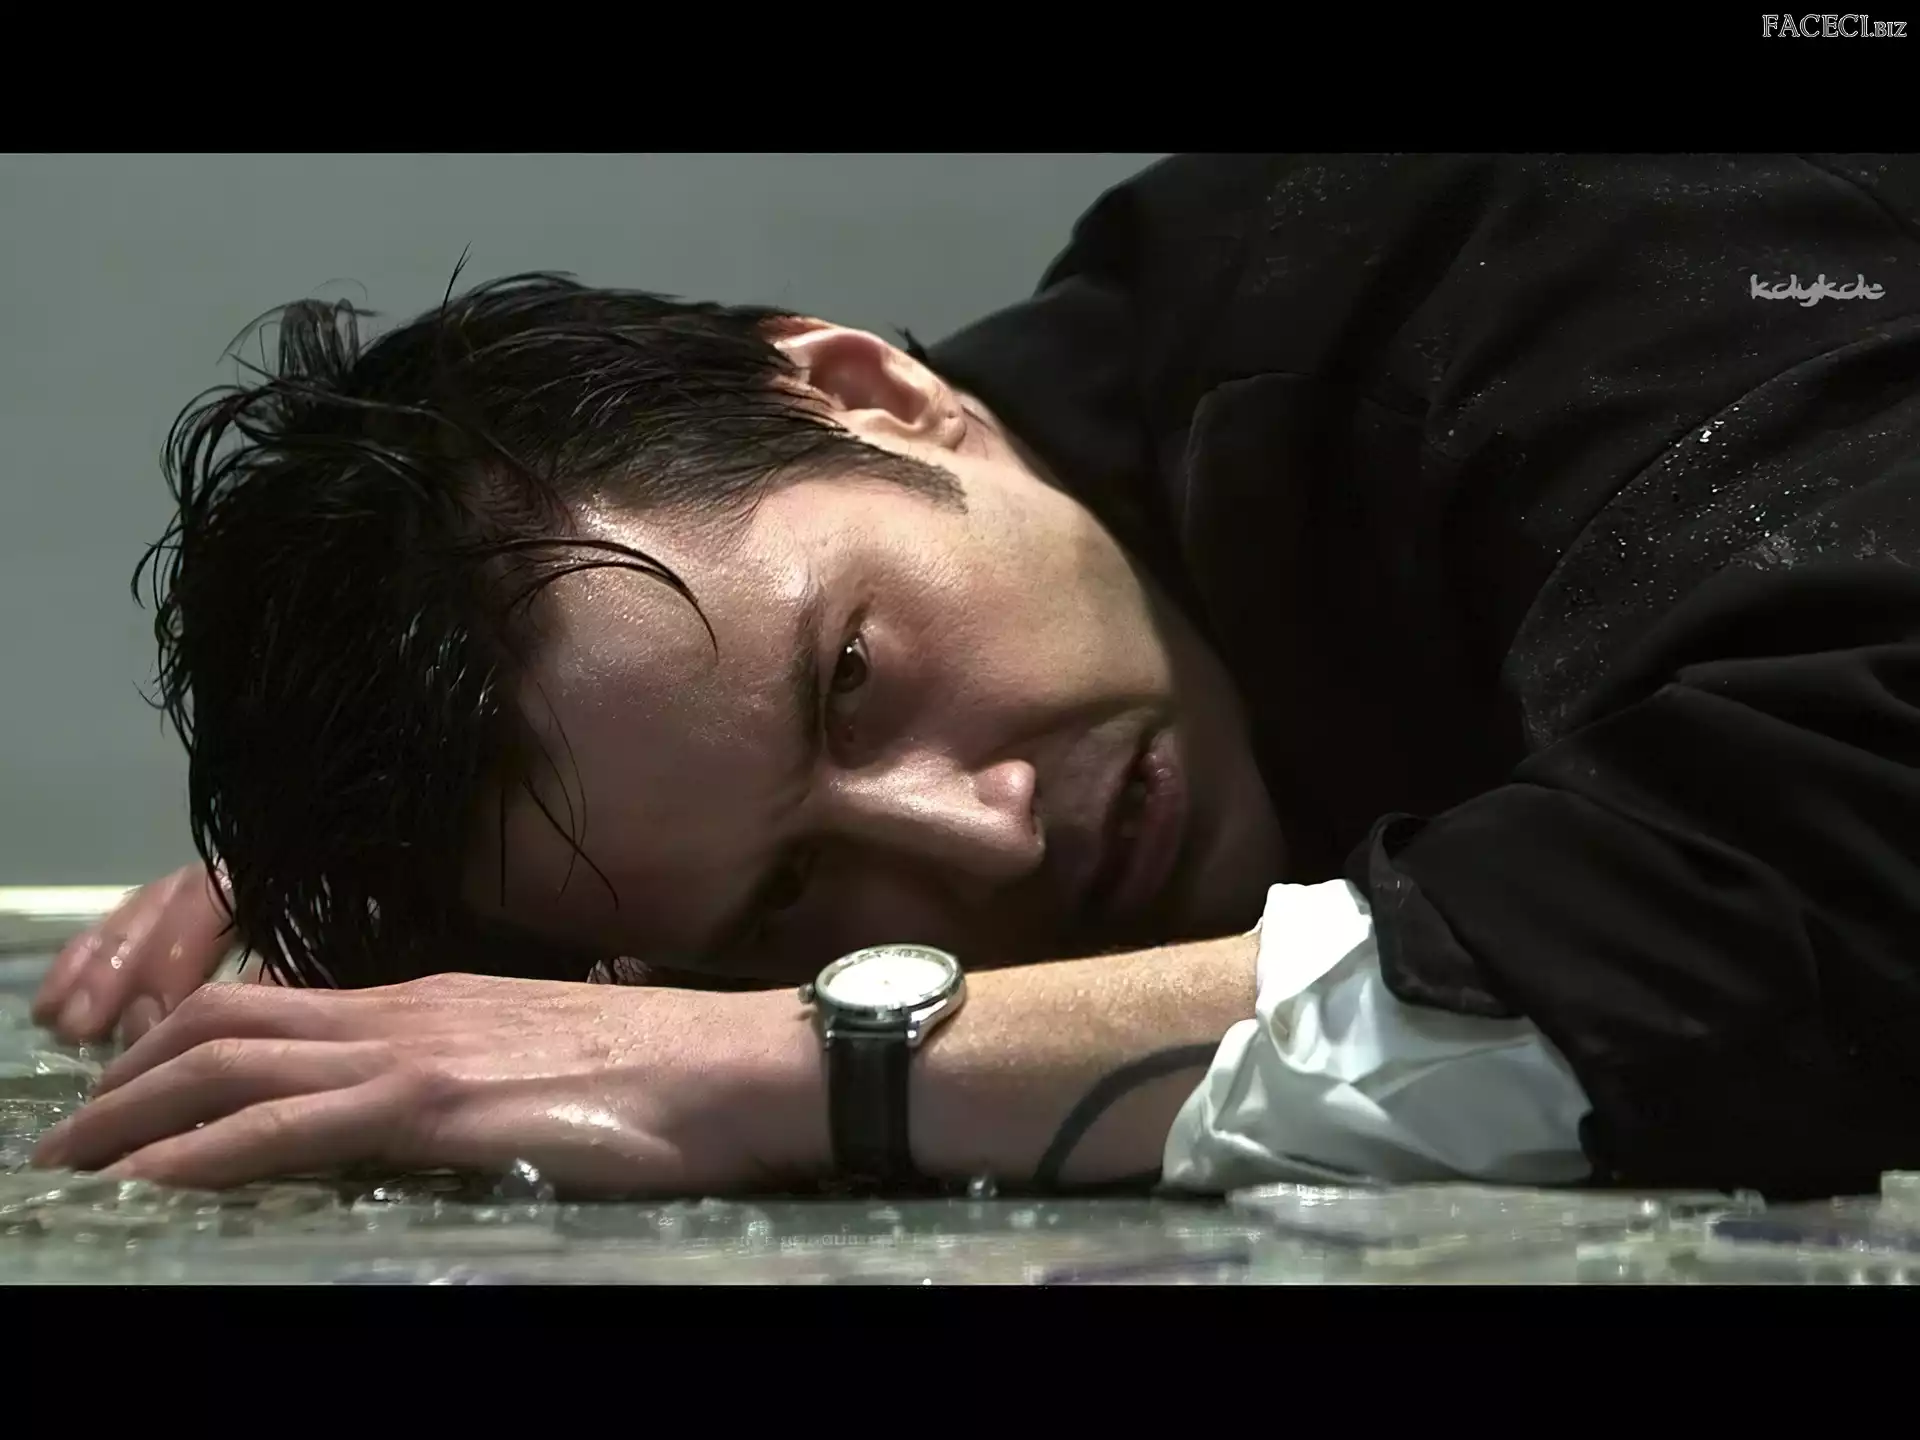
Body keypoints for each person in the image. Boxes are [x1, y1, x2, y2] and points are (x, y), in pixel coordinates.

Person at [29, 153, 1920, 1200]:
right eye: (791, 894)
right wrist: (423, 953)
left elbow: (1834, 881)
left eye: (851, 679)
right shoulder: (956, 502)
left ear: (870, 391)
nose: (987, 840)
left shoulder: (1587, 233)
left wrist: (786, 1059)